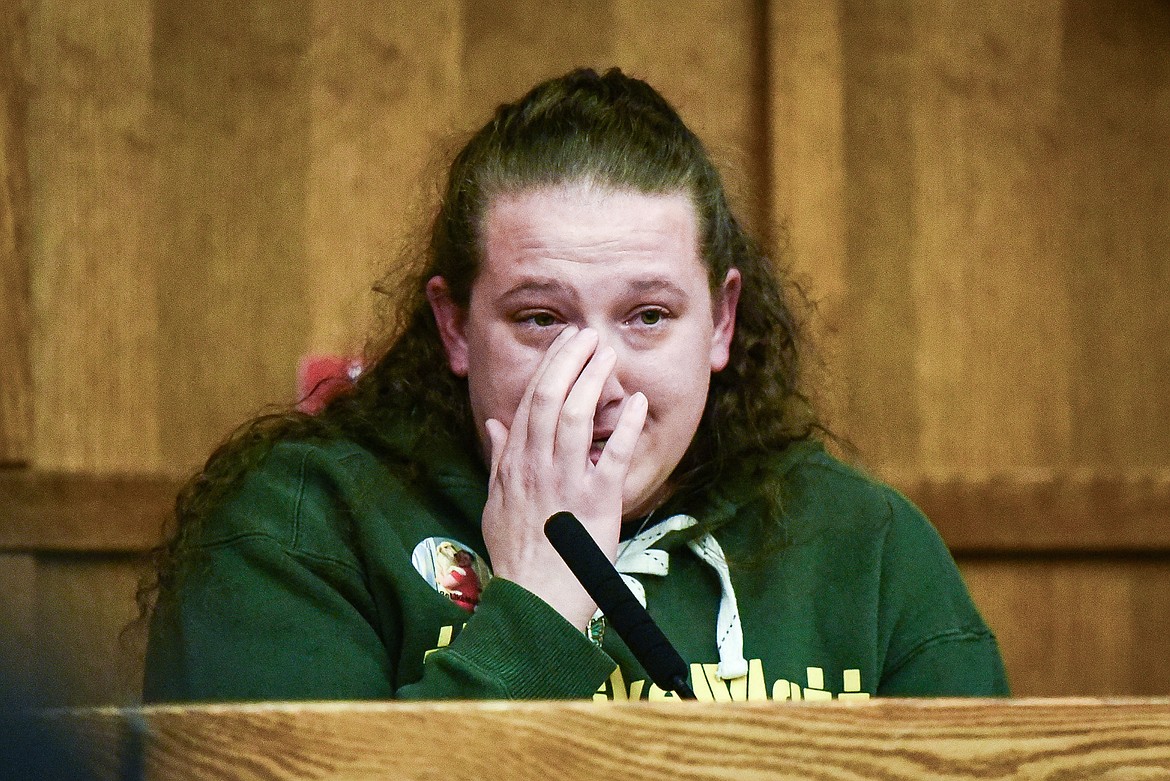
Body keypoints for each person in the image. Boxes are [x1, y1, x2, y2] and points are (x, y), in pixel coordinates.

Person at [141, 67, 1009, 702]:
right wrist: (539, 609)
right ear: (454, 326)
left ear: (723, 322)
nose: (593, 380)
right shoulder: (299, 528)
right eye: (541, 319)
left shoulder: (870, 545)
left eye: (648, 316)